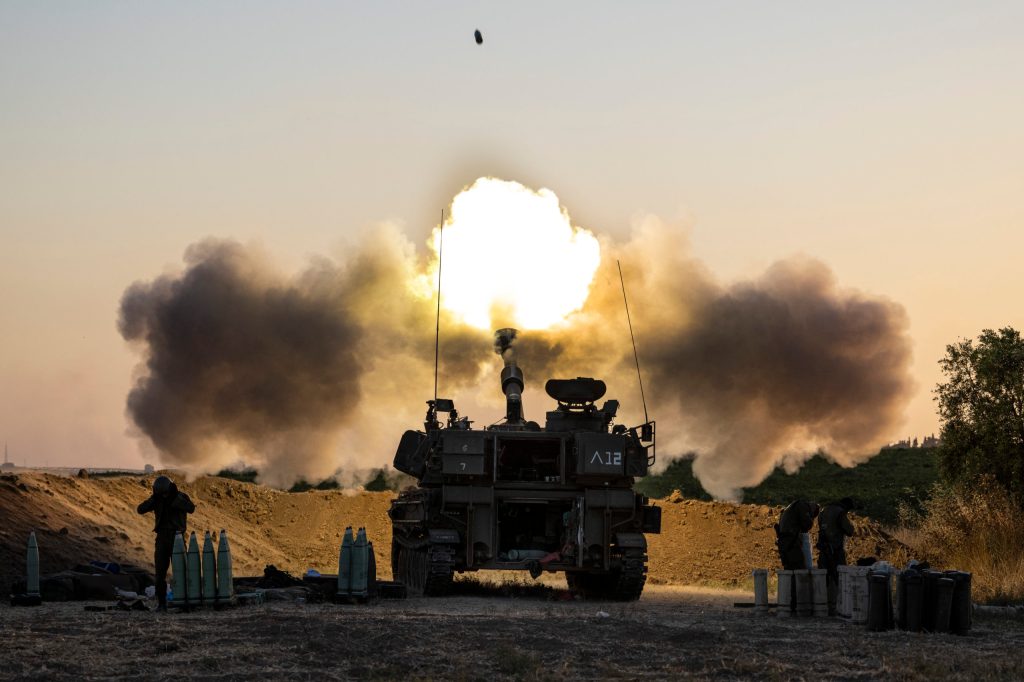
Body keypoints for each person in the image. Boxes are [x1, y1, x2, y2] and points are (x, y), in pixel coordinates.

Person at [137, 475, 195, 610]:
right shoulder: (156, 499)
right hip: (162, 538)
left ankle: (184, 602)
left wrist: (175, 499)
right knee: (160, 574)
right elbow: (140, 509)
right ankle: (162, 603)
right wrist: (154, 499)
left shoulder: (180, 497)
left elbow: (191, 508)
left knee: (181, 572)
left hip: (177, 538)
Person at [816, 497, 856, 615]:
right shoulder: (840, 512)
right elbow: (849, 531)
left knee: (823, 578)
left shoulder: (823, 511)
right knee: (841, 578)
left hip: (823, 550)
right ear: (846, 507)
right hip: (835, 551)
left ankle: (822, 607)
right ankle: (840, 607)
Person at [774, 499, 820, 570]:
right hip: (791, 542)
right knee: (799, 569)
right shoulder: (803, 506)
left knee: (790, 568)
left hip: (784, 543)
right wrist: (811, 520)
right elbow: (807, 525)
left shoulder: (791, 507)